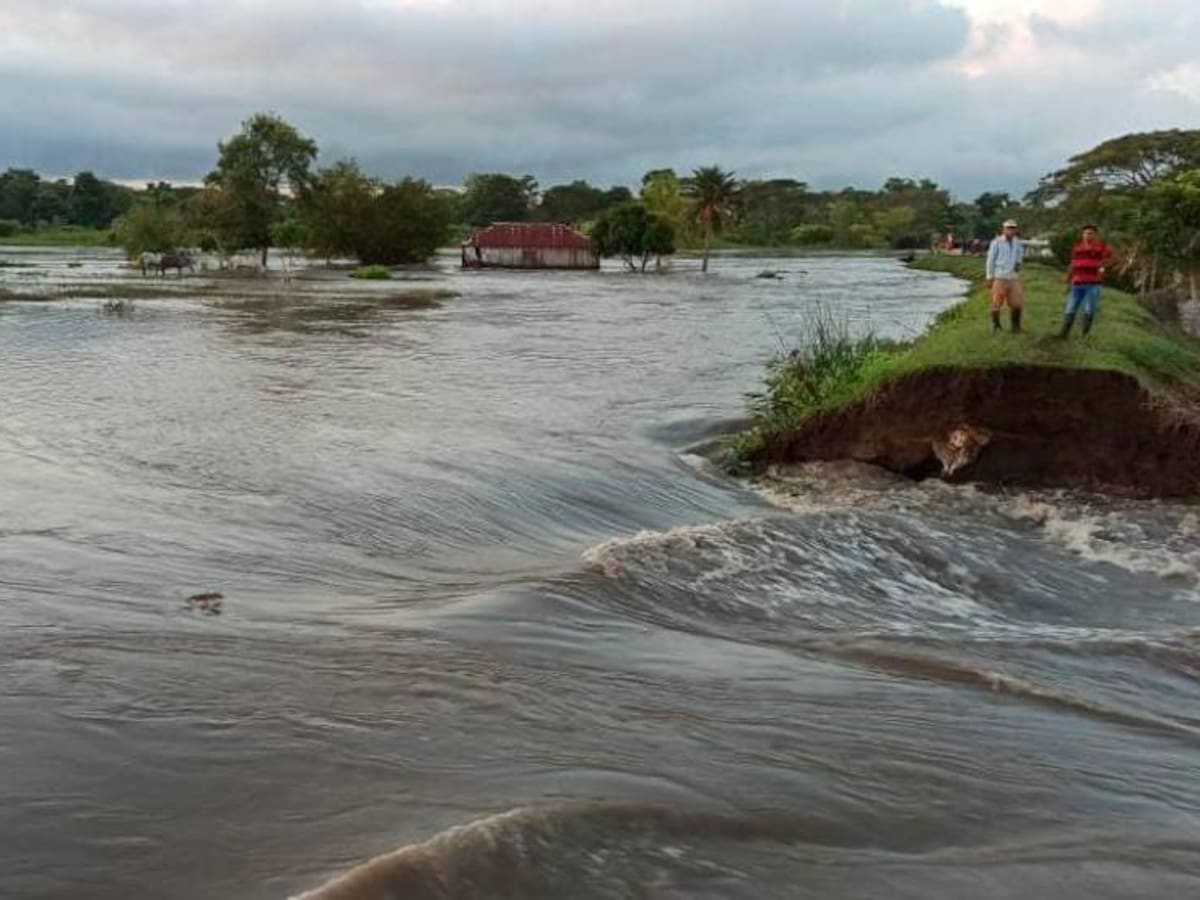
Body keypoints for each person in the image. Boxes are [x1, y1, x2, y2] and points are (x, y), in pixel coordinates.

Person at [1061, 224, 1114, 338]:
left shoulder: (1101, 247)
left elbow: (1111, 258)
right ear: (1082, 234)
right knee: (1070, 308)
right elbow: (1072, 264)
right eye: (1085, 233)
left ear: (1095, 235)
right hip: (1077, 282)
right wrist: (1067, 281)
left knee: (1089, 309)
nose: (1087, 235)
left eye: (1090, 233)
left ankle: (1085, 335)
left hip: (1093, 283)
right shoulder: (1077, 248)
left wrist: (1102, 266)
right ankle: (1064, 334)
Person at [986, 219, 1025, 333]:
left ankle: (1016, 326)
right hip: (999, 276)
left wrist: (1018, 262)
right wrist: (989, 277)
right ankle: (996, 325)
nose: (1011, 231)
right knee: (997, 302)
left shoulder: (1017, 242)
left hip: (1012, 276)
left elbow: (1020, 253)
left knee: (1017, 303)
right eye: (1009, 228)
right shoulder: (996, 242)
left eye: (1013, 228)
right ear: (1003, 229)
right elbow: (990, 260)